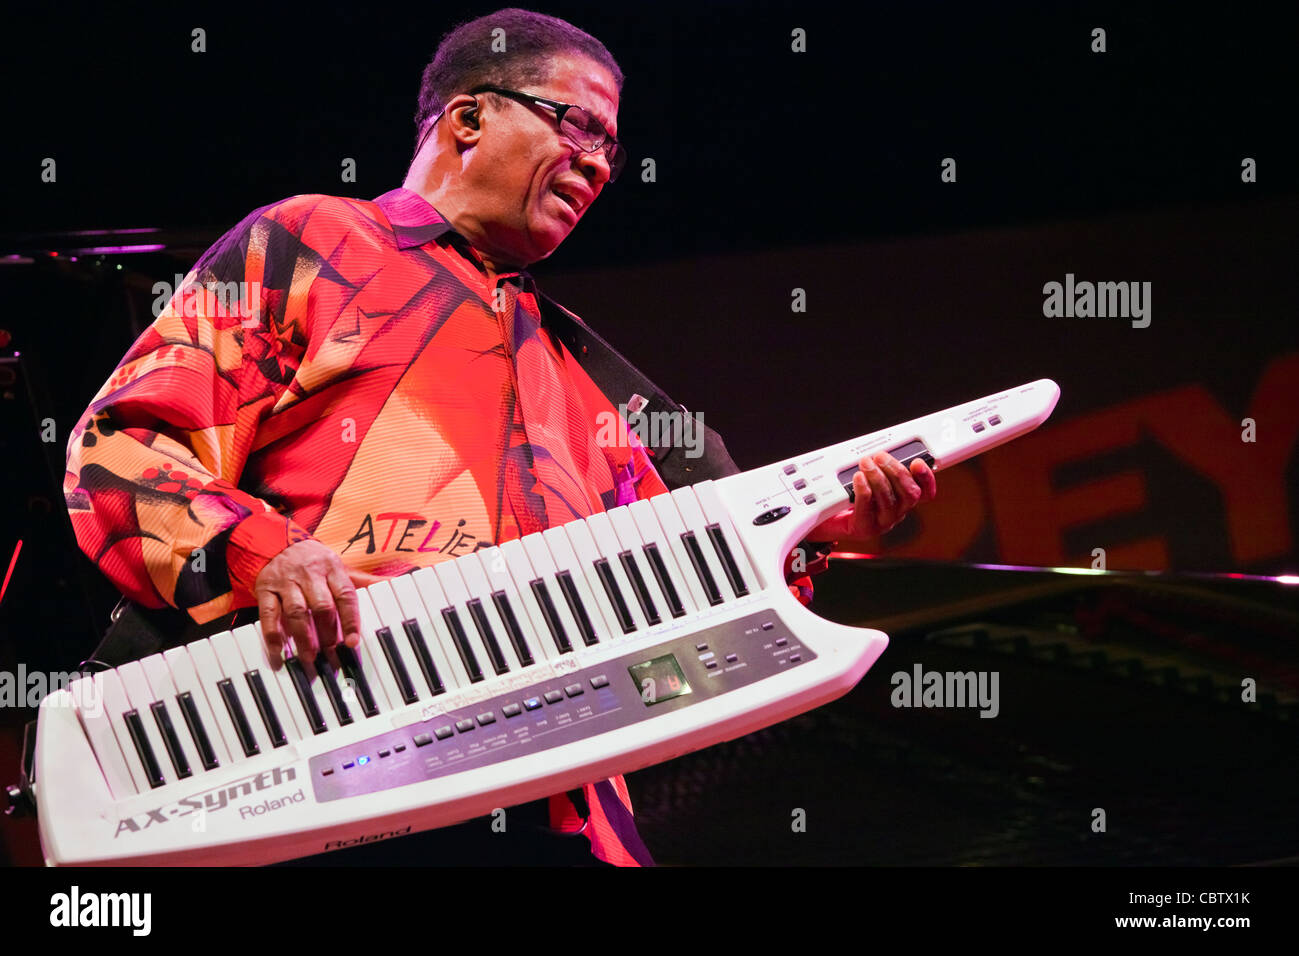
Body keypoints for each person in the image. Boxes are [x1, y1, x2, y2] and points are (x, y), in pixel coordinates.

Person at [62, 8, 936, 866]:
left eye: (613, 147)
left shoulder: (583, 369)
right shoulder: (317, 240)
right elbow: (122, 447)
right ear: (470, 117)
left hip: (558, 802)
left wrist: (819, 534)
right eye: (578, 123)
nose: (598, 163)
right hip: (322, 758)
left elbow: (692, 570)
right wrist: (260, 552)